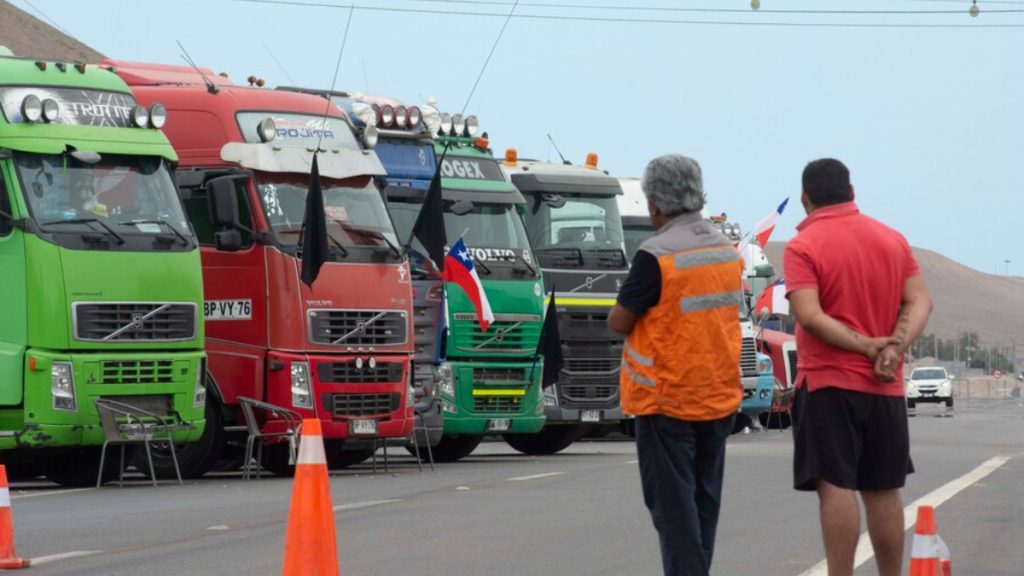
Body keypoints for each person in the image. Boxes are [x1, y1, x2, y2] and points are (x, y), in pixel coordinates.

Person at [785, 158, 932, 576]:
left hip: (828, 384)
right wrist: (894, 348)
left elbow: (809, 315)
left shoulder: (802, 247)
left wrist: (867, 346)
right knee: (883, 489)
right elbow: (920, 300)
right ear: (851, 193)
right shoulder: (892, 240)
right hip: (885, 387)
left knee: (835, 486)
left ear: (805, 198)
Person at [607, 154, 743, 576]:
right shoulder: (726, 250)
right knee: (703, 507)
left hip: (667, 400)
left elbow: (619, 321)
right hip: (718, 396)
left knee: (674, 514)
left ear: (655, 204)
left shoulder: (656, 254)